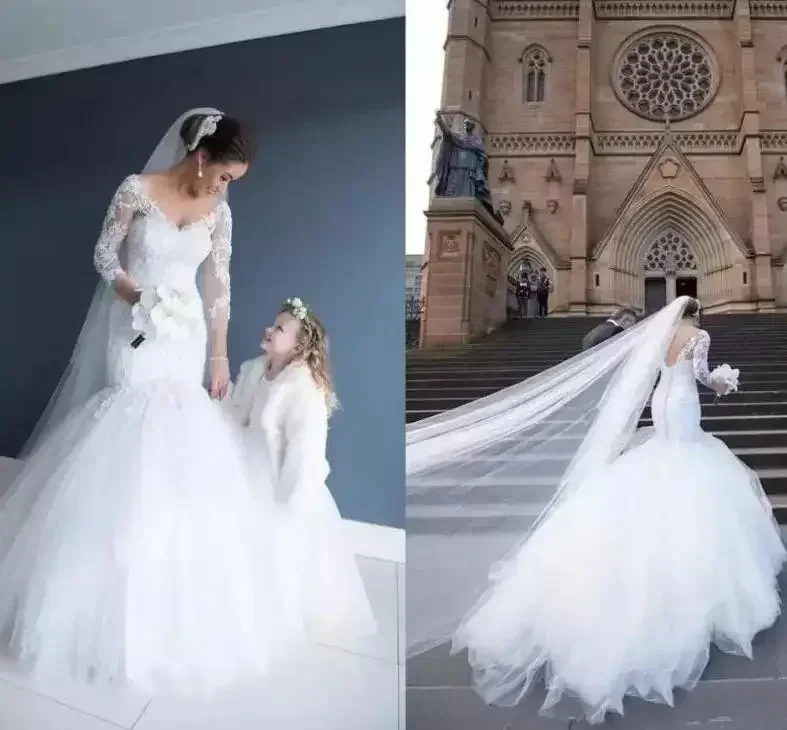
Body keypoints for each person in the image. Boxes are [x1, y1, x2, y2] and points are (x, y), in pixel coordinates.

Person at [0, 109, 301, 695]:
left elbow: (219, 285)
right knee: (129, 425)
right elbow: (104, 254)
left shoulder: (221, 213)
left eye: (233, 181)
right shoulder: (137, 191)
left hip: (183, 334)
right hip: (134, 328)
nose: (224, 187)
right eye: (223, 176)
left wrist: (217, 354)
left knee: (179, 438)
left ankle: (168, 585)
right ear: (200, 157)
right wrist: (130, 290)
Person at [406, 296, 785, 724]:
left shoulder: (659, 335)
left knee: (662, 450)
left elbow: (652, 373)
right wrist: (723, 383)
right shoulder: (699, 335)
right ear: (695, 314)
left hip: (662, 401)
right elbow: (699, 375)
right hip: (683, 402)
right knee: (689, 458)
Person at [224, 298, 377, 640]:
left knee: (275, 552)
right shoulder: (253, 371)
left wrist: (289, 503)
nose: (269, 329)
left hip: (280, 484)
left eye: (279, 328)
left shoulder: (303, 390)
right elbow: (236, 415)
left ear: (298, 346)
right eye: (273, 324)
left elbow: (305, 455)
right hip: (245, 470)